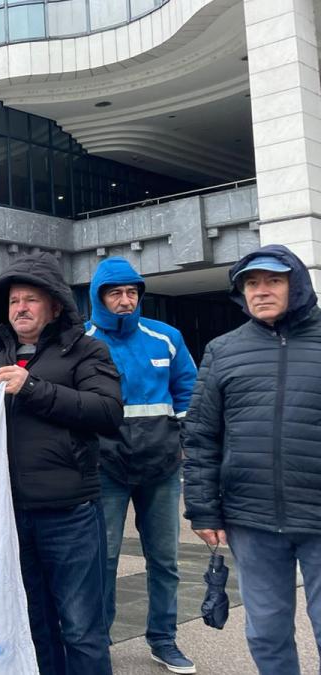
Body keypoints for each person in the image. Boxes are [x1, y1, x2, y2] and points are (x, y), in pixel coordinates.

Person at [0, 252, 122, 675]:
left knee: (81, 629)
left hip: (68, 513)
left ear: (55, 306)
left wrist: (32, 387)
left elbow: (107, 412)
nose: (21, 307)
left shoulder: (87, 350)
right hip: (8, 516)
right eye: (15, 299)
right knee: (33, 625)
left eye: (32, 299)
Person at [184, 244, 321, 675]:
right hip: (252, 518)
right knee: (266, 630)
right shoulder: (222, 350)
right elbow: (202, 436)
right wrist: (204, 509)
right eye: (251, 283)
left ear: (296, 285)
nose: (260, 291)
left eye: (273, 281)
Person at [85, 258, 197, 674]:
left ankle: (164, 640)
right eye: (115, 293)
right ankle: (99, 642)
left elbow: (188, 393)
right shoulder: (82, 340)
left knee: (165, 560)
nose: (125, 300)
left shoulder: (166, 337)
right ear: (98, 297)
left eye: (132, 292)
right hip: (105, 470)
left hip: (163, 469)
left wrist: (184, 446)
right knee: (105, 560)